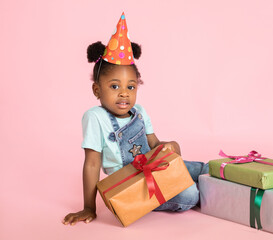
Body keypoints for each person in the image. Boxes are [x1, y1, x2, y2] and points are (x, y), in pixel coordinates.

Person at [63, 13, 208, 226]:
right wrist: (89, 207)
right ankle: (206, 195)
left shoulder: (139, 111)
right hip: (133, 183)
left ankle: (231, 190)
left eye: (130, 87)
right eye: (114, 86)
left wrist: (171, 146)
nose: (124, 93)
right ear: (97, 89)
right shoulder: (95, 117)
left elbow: (155, 145)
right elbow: (92, 164)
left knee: (204, 169)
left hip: (156, 167)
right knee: (190, 195)